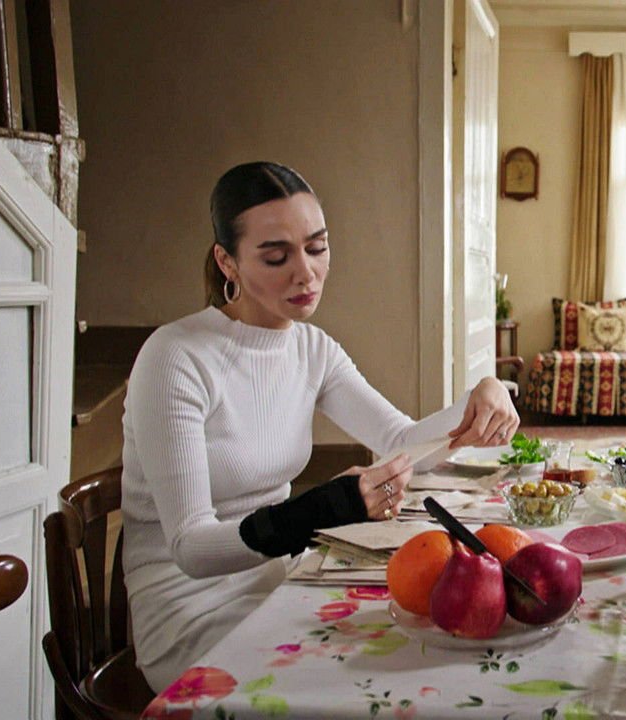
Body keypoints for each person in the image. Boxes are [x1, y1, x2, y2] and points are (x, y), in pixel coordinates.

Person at [120, 161, 520, 691]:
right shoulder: (175, 357)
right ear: (226, 261)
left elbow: (400, 442)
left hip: (280, 581)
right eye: (276, 256)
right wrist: (323, 509)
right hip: (188, 614)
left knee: (422, 647)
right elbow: (190, 549)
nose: (305, 273)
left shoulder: (312, 349)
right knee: (370, 678)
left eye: (317, 248)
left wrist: (482, 394)